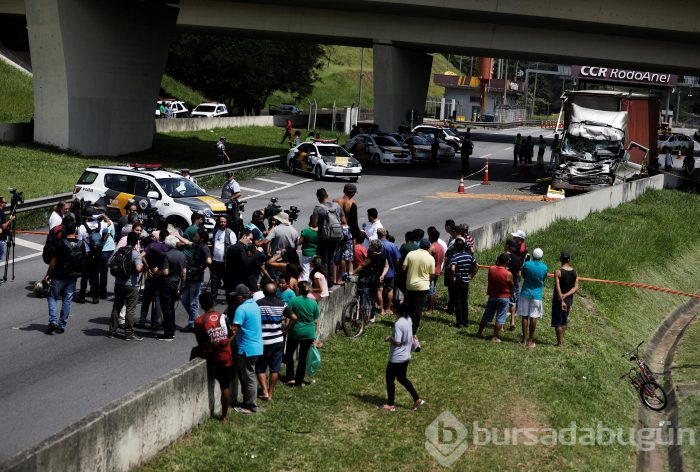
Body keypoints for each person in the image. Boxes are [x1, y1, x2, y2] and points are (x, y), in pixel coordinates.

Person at [191, 292, 232, 421]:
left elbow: (200, 341)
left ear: (201, 305)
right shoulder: (223, 317)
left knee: (194, 351)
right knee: (225, 386)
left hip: (210, 355)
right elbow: (229, 334)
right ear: (214, 303)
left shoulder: (199, 321)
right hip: (225, 355)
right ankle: (224, 416)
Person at [380, 304, 425, 412]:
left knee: (389, 379)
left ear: (396, 310)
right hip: (406, 356)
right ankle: (417, 399)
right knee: (401, 378)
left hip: (397, 357)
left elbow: (398, 342)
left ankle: (390, 405)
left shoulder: (398, 324)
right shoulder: (408, 319)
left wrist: (389, 339)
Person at [43, 220, 85, 334]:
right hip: (73, 276)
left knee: (52, 297)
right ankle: (62, 325)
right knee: (67, 300)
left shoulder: (60, 243)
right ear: (75, 230)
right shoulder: (81, 244)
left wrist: (47, 275)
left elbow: (53, 261)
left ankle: (53, 321)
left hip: (58, 276)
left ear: (65, 230)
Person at [228, 284, 264, 414]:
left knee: (249, 377)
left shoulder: (241, 309)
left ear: (241, 297)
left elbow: (234, 329)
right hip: (257, 346)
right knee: (249, 376)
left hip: (246, 348)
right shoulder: (254, 305)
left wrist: (226, 342)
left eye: (236, 297)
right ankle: (248, 402)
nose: (235, 299)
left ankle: (250, 406)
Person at [255, 280, 291, 401]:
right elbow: (294, 317)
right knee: (275, 368)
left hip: (264, 341)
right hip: (278, 340)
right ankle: (270, 393)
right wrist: (286, 330)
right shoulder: (282, 304)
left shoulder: (258, 304)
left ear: (264, 292)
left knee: (260, 368)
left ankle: (264, 390)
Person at [108, 232, 144, 340]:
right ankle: (128, 333)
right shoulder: (135, 253)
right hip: (131, 285)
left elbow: (109, 263)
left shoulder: (119, 250)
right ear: (136, 242)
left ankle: (112, 331)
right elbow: (138, 268)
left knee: (116, 307)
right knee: (130, 309)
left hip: (118, 283)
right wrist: (142, 268)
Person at [284, 281, 320, 387]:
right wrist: (314, 334)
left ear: (298, 289)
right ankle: (299, 381)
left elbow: (288, 314)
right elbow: (316, 321)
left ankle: (290, 378)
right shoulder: (313, 303)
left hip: (294, 332)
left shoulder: (293, 300)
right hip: (308, 333)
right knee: (302, 357)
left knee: (289, 355)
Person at [476, 253, 514, 343]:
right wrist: (511, 294)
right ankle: (494, 337)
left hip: (492, 296)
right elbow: (511, 285)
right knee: (500, 318)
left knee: (486, 316)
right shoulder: (508, 273)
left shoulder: (491, 269)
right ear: (507, 262)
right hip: (503, 297)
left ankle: (479, 332)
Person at [136, 230, 169, 330]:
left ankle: (142, 320)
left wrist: (147, 267)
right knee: (157, 299)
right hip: (160, 276)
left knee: (146, 299)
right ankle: (156, 322)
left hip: (150, 275)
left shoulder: (151, 245)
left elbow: (141, 256)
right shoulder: (167, 248)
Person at [402, 238, 435, 336]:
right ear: (428, 247)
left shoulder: (411, 254)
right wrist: (428, 281)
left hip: (410, 285)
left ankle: (406, 326)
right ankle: (413, 330)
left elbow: (404, 268)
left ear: (419, 245)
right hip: (423, 287)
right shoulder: (430, 258)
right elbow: (432, 274)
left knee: (409, 306)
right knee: (418, 309)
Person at [181, 229, 212, 332]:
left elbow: (208, 261)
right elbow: (188, 242)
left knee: (193, 303)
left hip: (197, 279)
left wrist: (202, 268)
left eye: (197, 236)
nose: (195, 237)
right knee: (184, 300)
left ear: (201, 239)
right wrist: (177, 236)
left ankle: (194, 324)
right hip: (191, 276)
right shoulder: (197, 245)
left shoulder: (204, 247)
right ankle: (196, 320)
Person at [312, 188, 345, 280]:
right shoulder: (337, 206)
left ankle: (324, 280)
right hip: (336, 236)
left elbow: (314, 224)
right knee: (331, 259)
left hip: (324, 238)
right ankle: (330, 280)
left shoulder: (318, 208)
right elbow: (343, 221)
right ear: (327, 196)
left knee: (323, 259)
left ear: (318, 198)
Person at [157, 236, 186, 341]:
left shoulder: (167, 256)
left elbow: (165, 272)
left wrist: (157, 272)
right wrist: (182, 285)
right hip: (177, 284)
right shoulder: (182, 255)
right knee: (171, 308)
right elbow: (184, 272)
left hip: (166, 284)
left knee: (166, 309)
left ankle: (168, 333)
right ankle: (171, 330)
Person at [518, 248, 548, 348]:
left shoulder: (527, 264)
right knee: (534, 317)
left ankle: (524, 339)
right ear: (541, 257)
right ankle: (530, 341)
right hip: (537, 295)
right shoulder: (544, 267)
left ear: (533, 255)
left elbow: (523, 275)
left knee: (525, 316)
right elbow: (544, 278)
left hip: (525, 292)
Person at [449, 237, 478, 327]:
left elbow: (453, 268)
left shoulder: (455, 256)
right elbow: (477, 266)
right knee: (464, 301)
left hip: (458, 280)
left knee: (457, 301)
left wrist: (453, 276)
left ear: (456, 247)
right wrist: (471, 276)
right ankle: (466, 321)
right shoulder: (469, 256)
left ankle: (459, 322)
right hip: (466, 281)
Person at [552, 251, 579, 347]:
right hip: (569, 299)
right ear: (569, 259)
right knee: (564, 319)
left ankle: (560, 343)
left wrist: (562, 297)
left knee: (558, 322)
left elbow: (557, 286)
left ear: (560, 259)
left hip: (559, 299)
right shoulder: (574, 272)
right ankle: (561, 341)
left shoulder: (558, 272)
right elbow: (576, 287)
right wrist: (567, 295)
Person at [210, 216, 236, 302]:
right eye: (221, 222)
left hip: (225, 263)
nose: (223, 223)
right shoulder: (215, 232)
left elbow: (234, 248)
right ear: (218, 222)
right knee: (214, 281)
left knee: (227, 281)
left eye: (224, 222)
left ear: (226, 223)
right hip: (215, 261)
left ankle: (229, 299)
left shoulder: (230, 233)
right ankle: (213, 299)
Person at [378, 228, 400, 316]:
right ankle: (388, 309)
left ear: (378, 234)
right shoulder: (392, 245)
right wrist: (396, 268)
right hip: (390, 272)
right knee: (390, 290)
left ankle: (381, 309)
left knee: (380, 290)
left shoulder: (376, 245)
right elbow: (398, 260)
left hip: (379, 272)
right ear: (386, 234)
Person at [426, 227, 445, 312]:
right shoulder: (441, 247)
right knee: (432, 289)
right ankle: (432, 307)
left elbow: (427, 260)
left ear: (431, 237)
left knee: (430, 290)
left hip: (431, 271)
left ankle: (430, 309)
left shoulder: (432, 247)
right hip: (437, 270)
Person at [298, 215, 318, 281]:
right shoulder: (320, 231)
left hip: (306, 254)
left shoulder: (306, 231)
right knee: (313, 271)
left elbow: (300, 242)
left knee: (305, 272)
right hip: (316, 253)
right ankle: (313, 283)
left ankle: (305, 285)